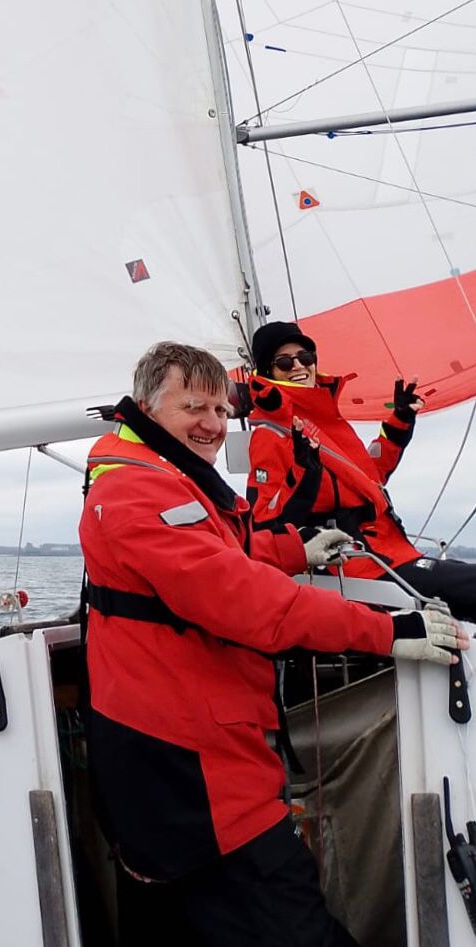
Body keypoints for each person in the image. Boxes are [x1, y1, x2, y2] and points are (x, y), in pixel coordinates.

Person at [79, 341, 466, 946]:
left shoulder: (156, 475)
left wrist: (293, 549)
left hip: (173, 752)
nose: (212, 425)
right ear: (149, 409)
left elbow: (219, 546)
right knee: (291, 922)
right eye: (193, 408)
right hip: (187, 766)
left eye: (220, 410)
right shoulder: (135, 494)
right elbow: (245, 600)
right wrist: (389, 631)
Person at [246, 319, 476, 620]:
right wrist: (305, 472)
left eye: (305, 356)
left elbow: (369, 477)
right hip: (354, 562)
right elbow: (263, 521)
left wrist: (400, 421)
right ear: (267, 371)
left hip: (388, 552)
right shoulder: (271, 433)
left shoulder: (324, 416)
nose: (298, 366)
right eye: (285, 362)